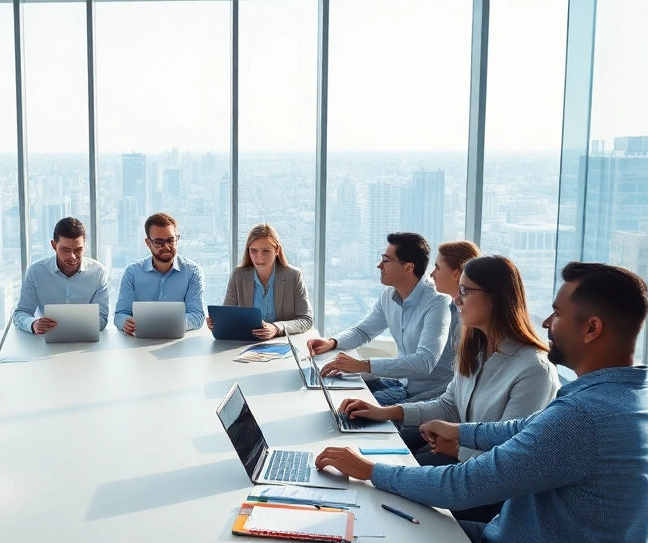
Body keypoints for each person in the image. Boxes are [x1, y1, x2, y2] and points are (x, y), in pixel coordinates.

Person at [315, 263, 648, 543]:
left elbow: (462, 486)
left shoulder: (584, 417)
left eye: (557, 313)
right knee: (390, 532)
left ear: (592, 329)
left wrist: (369, 471)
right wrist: (463, 431)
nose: (547, 321)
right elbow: (531, 428)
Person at [335, 255, 559, 521]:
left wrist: (456, 449)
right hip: (459, 463)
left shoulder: (533, 369)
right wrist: (385, 411)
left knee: (380, 490)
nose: (456, 300)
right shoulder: (476, 349)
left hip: (485, 489)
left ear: (496, 297)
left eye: (465, 291)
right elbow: (449, 405)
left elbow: (507, 459)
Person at [308, 233, 454, 404]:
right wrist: (332, 342)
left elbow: (424, 362)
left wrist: (363, 365)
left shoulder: (438, 302)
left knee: (350, 408)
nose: (379, 266)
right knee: (331, 387)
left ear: (408, 268)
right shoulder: (390, 293)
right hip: (399, 384)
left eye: (385, 261)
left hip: (425, 396)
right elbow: (363, 331)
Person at [207, 223, 313, 339]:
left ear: (276, 250)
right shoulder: (238, 275)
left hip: (281, 343)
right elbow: (228, 316)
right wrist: (218, 324)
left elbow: (306, 320)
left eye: (265, 251)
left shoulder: (293, 276)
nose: (259, 257)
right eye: (254, 251)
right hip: (246, 344)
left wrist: (276, 328)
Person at [13, 217, 111, 335]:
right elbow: (21, 313)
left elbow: (102, 319)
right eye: (66, 250)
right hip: (46, 342)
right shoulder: (36, 272)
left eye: (78, 250)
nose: (73, 257)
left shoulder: (98, 272)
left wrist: (75, 325)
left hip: (85, 343)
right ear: (54, 245)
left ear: (85, 246)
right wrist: (33, 324)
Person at [114, 212, 206, 336]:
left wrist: (171, 325)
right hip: (138, 342)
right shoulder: (133, 272)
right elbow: (120, 314)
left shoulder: (192, 272)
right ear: (148, 243)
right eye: (159, 242)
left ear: (177, 239)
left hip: (177, 344)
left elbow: (197, 315)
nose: (166, 247)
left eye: (171, 241)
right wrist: (125, 322)